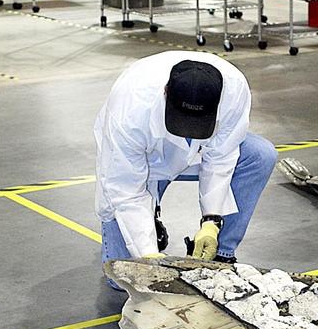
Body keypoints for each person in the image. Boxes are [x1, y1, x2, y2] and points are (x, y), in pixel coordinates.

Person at [95, 52, 276, 276]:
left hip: (197, 152)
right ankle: (149, 220)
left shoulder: (234, 91)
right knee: (125, 277)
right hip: (148, 159)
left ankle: (219, 253)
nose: (188, 130)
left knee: (260, 155)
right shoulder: (130, 109)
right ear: (165, 92)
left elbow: (221, 157)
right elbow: (125, 189)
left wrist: (211, 220)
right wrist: (147, 254)